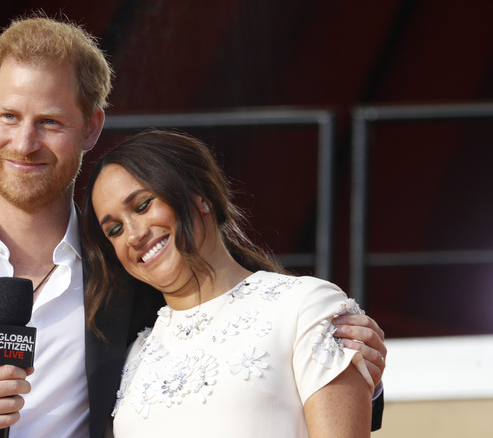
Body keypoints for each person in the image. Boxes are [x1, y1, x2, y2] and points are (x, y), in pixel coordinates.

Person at [0, 14, 386, 438]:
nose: (25, 142)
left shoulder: (128, 263)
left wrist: (346, 370)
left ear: (91, 128)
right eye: (9, 115)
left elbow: (224, 352)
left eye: (50, 121)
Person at [81, 129, 379, 437]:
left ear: (200, 195)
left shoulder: (306, 306)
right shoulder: (131, 355)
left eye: (143, 206)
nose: (133, 235)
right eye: (114, 229)